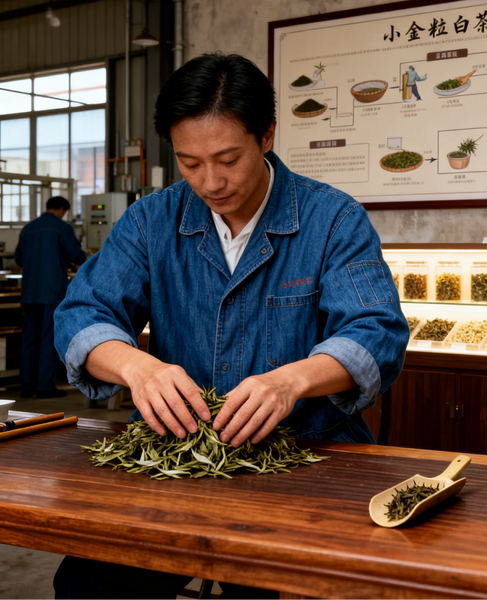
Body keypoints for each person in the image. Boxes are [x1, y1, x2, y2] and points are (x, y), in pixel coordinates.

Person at [52, 52, 409, 600]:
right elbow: (82, 313)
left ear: (266, 136)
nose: (211, 182)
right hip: (180, 456)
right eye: (189, 163)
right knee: (88, 582)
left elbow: (375, 331)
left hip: (304, 458)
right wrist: (137, 367)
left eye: (227, 158)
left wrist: (291, 382)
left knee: (283, 588)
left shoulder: (332, 218)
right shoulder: (152, 220)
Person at [14, 195, 86, 398]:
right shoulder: (61, 227)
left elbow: (19, 258)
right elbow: (76, 255)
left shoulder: (28, 228)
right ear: (62, 209)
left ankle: (27, 387)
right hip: (51, 291)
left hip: (29, 293)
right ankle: (45, 387)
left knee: (28, 340)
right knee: (48, 338)